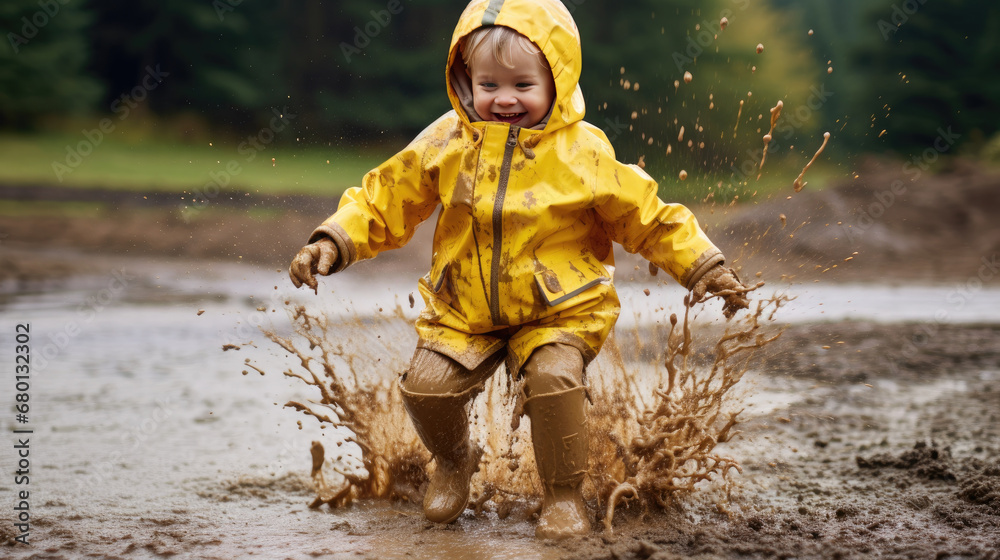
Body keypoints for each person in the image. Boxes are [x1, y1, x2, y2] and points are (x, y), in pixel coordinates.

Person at [289, 0, 749, 540]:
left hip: (560, 307)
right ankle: (456, 461)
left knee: (553, 379)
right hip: (464, 307)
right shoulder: (446, 141)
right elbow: (383, 198)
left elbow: (648, 217)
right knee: (427, 389)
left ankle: (563, 496)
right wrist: (333, 240)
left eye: (523, 85)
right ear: (465, 81)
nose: (504, 98)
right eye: (488, 83)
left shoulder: (583, 152)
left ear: (557, 81)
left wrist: (702, 265)